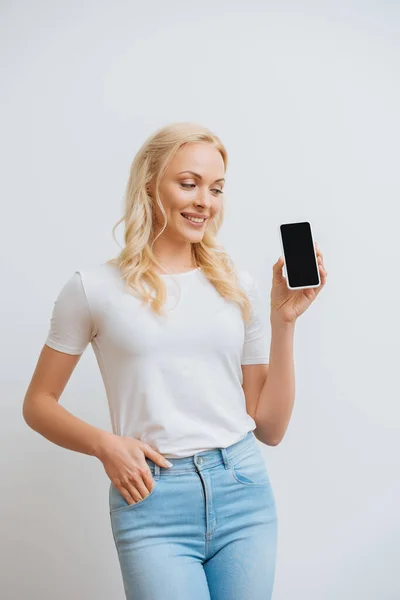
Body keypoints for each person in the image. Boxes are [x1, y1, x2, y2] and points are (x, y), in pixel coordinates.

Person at [22, 122, 327, 600]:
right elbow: (38, 403)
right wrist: (105, 445)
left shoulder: (235, 285)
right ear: (149, 185)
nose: (204, 200)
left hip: (242, 490)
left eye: (216, 188)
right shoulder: (92, 288)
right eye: (189, 184)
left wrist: (283, 321)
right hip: (152, 500)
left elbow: (268, 427)